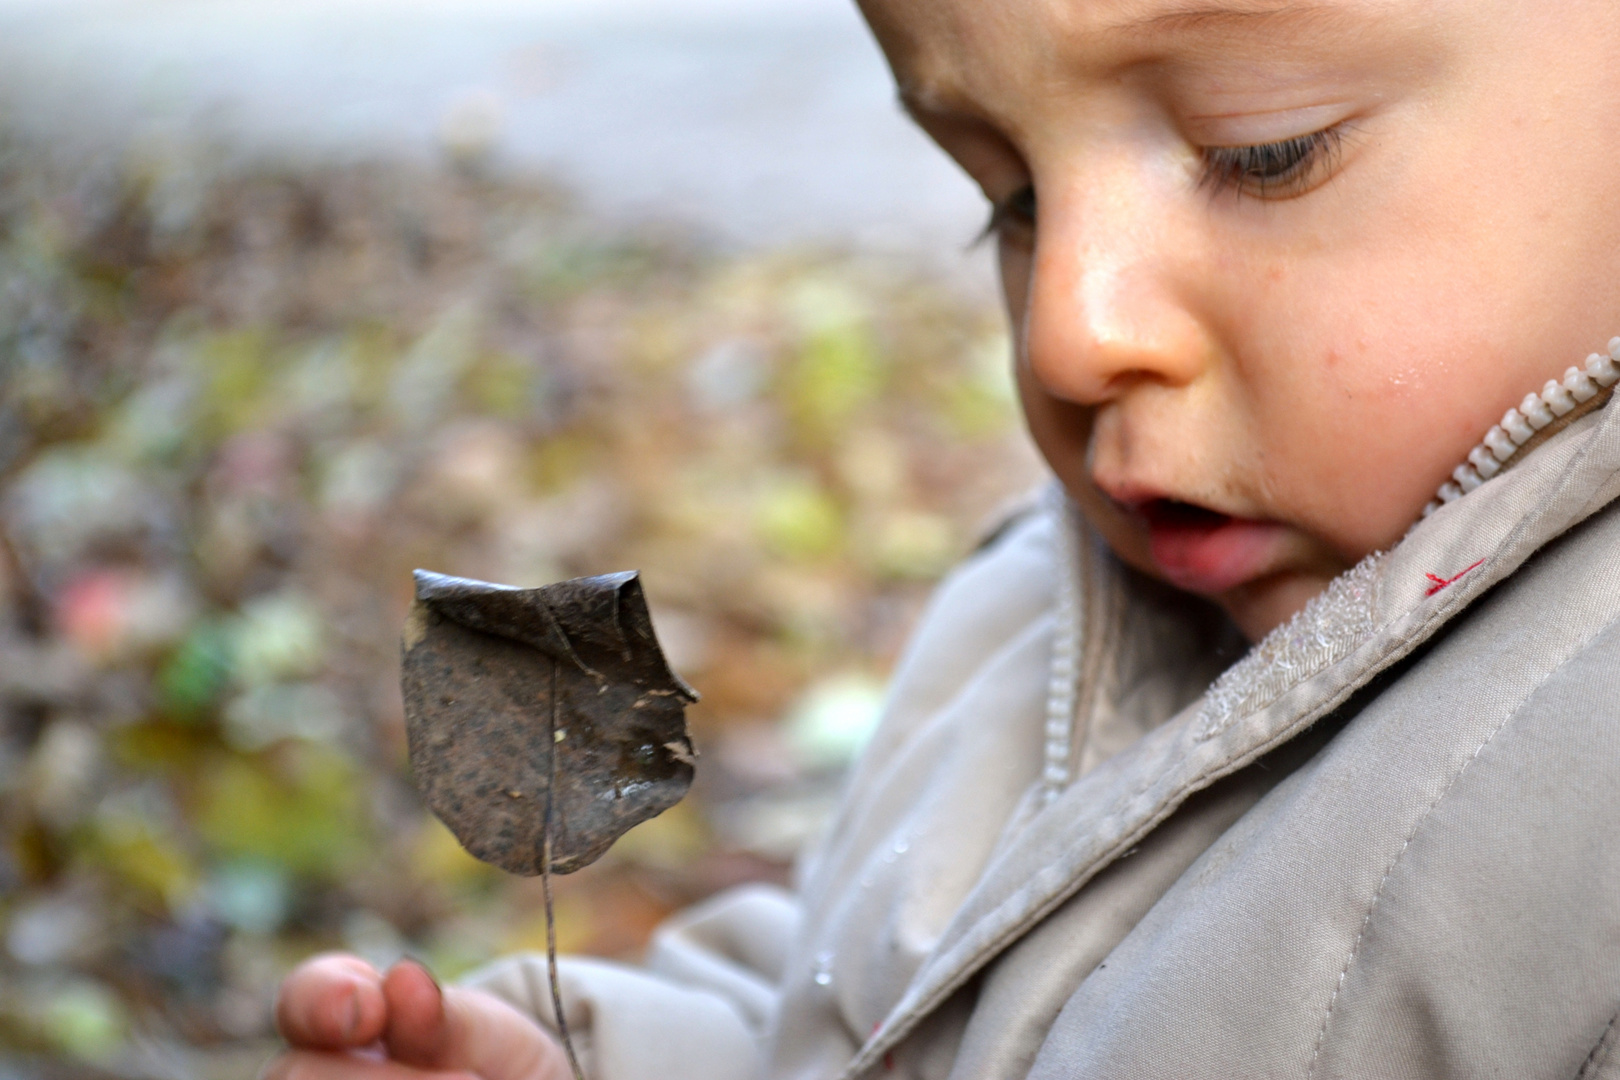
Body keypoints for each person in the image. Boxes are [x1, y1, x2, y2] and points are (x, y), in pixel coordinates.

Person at [265, 0, 1620, 1076]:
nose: (1068, 334)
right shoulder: (1036, 604)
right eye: (1010, 197)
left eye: (1261, 146)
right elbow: (876, 1006)